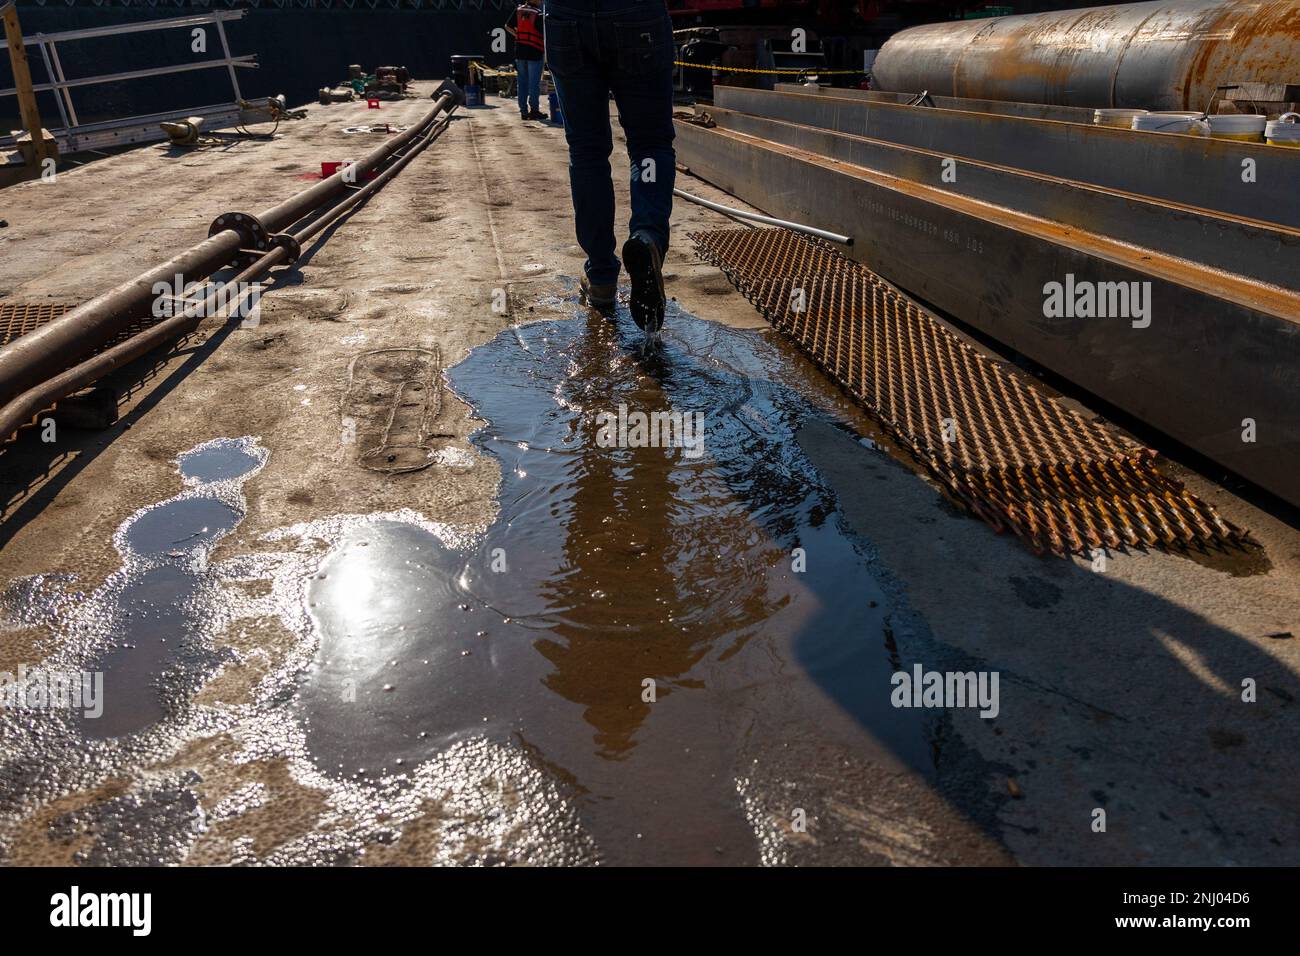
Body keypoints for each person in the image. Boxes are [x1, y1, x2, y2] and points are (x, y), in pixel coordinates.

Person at [543, 0, 675, 339]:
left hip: (567, 17)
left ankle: (601, 277)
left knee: (588, 152)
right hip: (636, 16)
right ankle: (647, 237)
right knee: (648, 145)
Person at [505, 0, 546, 121]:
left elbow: (507, 26)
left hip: (520, 51)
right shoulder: (538, 14)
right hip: (535, 51)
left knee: (522, 83)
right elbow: (544, 34)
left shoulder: (519, 11)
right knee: (534, 83)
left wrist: (517, 34)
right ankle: (534, 110)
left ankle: (523, 111)